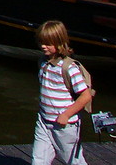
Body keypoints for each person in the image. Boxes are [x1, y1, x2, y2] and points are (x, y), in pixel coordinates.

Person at [32, 20, 92, 165]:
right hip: (44, 121)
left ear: (59, 43)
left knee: (73, 161)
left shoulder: (69, 68)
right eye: (41, 42)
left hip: (65, 126)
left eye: (47, 43)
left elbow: (86, 96)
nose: (43, 46)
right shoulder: (42, 61)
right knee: (38, 160)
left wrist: (66, 114)